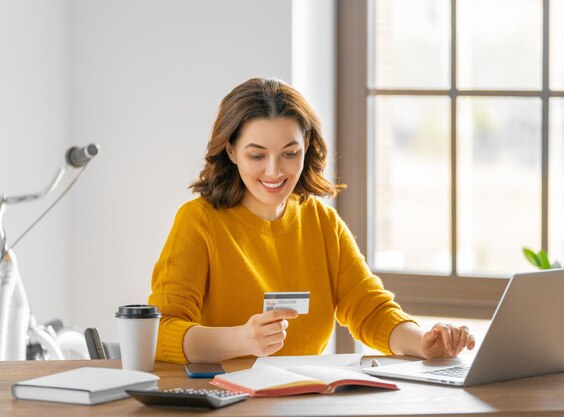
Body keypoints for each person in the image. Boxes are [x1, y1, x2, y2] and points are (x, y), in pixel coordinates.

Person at [148, 77, 475, 364]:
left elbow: (371, 311)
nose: (275, 171)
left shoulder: (322, 223)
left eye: (289, 153)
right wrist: (242, 340)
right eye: (257, 155)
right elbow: (161, 330)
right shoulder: (199, 222)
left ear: (307, 146)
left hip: (303, 400)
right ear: (231, 151)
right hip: (226, 402)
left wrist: (423, 343)